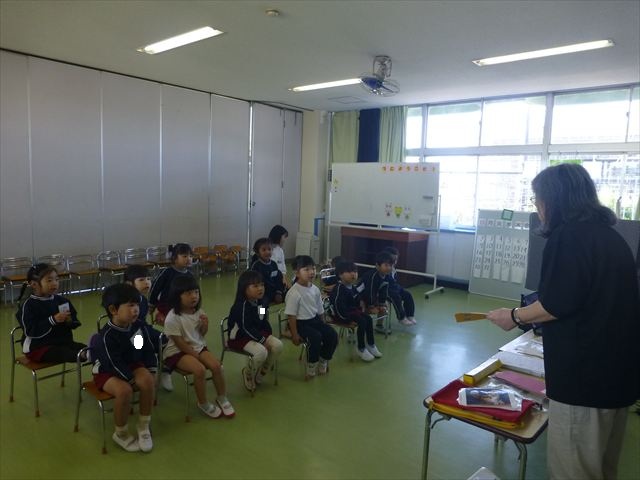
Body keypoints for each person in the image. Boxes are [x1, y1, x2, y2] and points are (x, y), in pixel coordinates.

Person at [486, 163, 639, 480]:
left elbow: (556, 303)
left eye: (537, 200)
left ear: (553, 200)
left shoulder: (568, 237)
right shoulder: (611, 238)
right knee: (603, 469)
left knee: (574, 472)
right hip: (617, 378)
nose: (538, 208)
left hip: (584, 383)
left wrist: (513, 316)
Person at [93, 283, 157, 453]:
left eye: (137, 305)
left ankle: (143, 426)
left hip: (130, 364)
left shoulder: (137, 327)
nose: (136, 309)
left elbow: (143, 349)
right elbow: (112, 363)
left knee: (148, 381)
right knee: (124, 391)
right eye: (130, 305)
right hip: (106, 371)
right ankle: (120, 433)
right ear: (113, 310)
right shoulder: (106, 336)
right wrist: (130, 379)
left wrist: (151, 369)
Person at [162, 274, 235, 419]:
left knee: (217, 366)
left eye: (196, 292)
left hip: (197, 346)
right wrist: (197, 356)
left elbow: (201, 334)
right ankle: (203, 403)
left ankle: (222, 397)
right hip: (177, 352)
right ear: (177, 296)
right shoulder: (172, 317)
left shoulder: (199, 312)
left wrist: (205, 325)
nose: (194, 296)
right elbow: (180, 343)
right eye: (188, 293)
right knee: (199, 370)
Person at [15, 263, 86, 363]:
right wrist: (53, 320)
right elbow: (30, 331)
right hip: (38, 348)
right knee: (65, 353)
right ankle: (85, 356)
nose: (54, 283)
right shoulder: (29, 305)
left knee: (85, 348)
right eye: (49, 280)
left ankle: (89, 355)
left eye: (56, 279)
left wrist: (70, 321)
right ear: (34, 284)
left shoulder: (62, 301)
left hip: (61, 342)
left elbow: (73, 321)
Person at [228, 270, 283, 391]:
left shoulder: (261, 303)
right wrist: (263, 340)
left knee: (278, 345)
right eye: (255, 286)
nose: (260, 288)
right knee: (261, 352)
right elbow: (245, 328)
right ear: (244, 288)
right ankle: (247, 372)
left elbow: (262, 319)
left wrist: (268, 335)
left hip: (255, 333)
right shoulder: (241, 306)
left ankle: (262, 371)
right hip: (239, 337)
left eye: (262, 285)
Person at [285, 255, 338, 378]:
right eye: (306, 269)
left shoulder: (315, 289)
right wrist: (294, 334)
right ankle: (311, 364)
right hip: (300, 323)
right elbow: (291, 316)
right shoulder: (294, 292)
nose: (312, 272)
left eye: (313, 268)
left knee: (332, 334)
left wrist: (323, 324)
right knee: (315, 337)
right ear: (297, 273)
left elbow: (320, 310)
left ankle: (323, 359)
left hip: (314, 321)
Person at [124, 264, 173, 392]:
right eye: (141, 280)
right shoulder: (125, 302)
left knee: (167, 341)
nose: (147, 282)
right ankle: (144, 371)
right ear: (129, 284)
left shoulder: (143, 300)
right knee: (144, 346)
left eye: (148, 279)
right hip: (132, 333)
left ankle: (165, 369)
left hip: (143, 330)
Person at [329, 260, 382, 362]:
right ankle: (361, 348)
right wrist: (347, 320)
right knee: (362, 321)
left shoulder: (352, 287)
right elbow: (338, 308)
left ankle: (371, 344)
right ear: (340, 275)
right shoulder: (339, 289)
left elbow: (357, 300)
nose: (353, 274)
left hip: (352, 312)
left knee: (368, 319)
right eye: (349, 272)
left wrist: (362, 307)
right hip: (342, 315)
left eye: (355, 271)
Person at [148, 243, 194, 325]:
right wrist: (151, 304)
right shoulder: (167, 272)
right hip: (167, 305)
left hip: (182, 306)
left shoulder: (190, 275)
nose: (189, 259)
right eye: (185, 256)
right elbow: (155, 287)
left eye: (190, 256)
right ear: (175, 258)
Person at [382, 246, 417, 325]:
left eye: (396, 259)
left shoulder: (393, 269)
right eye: (393, 259)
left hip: (394, 288)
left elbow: (394, 281)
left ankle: (410, 315)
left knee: (407, 294)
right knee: (396, 297)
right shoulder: (384, 269)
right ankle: (401, 318)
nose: (395, 262)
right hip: (386, 290)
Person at [250, 237, 285, 306]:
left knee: (290, 295)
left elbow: (278, 279)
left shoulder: (274, 264)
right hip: (263, 293)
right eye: (264, 250)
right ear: (258, 252)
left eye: (269, 249)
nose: (267, 252)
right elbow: (256, 284)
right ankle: (261, 313)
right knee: (263, 304)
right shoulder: (256, 266)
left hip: (274, 291)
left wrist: (278, 292)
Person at [268, 225, 291, 289]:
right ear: (278, 236)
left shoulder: (280, 250)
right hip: (270, 280)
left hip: (279, 279)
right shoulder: (268, 250)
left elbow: (283, 267)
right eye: (284, 237)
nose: (285, 240)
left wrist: (284, 279)